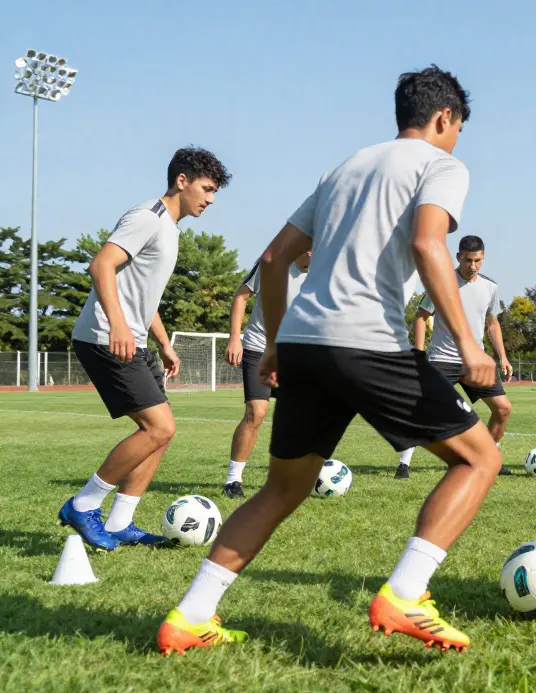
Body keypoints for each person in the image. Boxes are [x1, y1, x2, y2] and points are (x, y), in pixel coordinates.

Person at [156, 66, 502, 655]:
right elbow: (427, 243)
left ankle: (190, 616)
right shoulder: (442, 166)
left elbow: (272, 259)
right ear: (445, 118)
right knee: (480, 458)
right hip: (366, 341)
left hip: (306, 345)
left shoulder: (345, 167)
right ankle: (407, 593)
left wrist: (279, 343)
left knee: (281, 490)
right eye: (458, 128)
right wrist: (468, 343)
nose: (456, 140)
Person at [58, 147, 231, 552]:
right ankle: (83, 505)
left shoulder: (170, 228)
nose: (210, 200)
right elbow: (101, 265)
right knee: (159, 427)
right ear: (182, 180)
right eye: (206, 189)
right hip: (105, 336)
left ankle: (120, 523)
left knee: (161, 433)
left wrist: (165, 342)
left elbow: (142, 295)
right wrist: (118, 323)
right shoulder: (147, 218)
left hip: (134, 338)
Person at [396, 234, 514, 479]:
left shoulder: (490, 287)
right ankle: (404, 464)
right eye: (468, 260)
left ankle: (489, 458)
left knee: (503, 409)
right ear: (458, 256)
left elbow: (492, 323)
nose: (473, 266)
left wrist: (502, 356)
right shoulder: (441, 281)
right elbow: (420, 317)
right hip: (443, 359)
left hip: (476, 361)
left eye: (478, 260)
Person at [221, 252, 311, 499]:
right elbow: (241, 296)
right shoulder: (272, 261)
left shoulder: (323, 272)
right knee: (256, 412)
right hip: (258, 348)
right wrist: (234, 339)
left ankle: (296, 478)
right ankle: (233, 480)